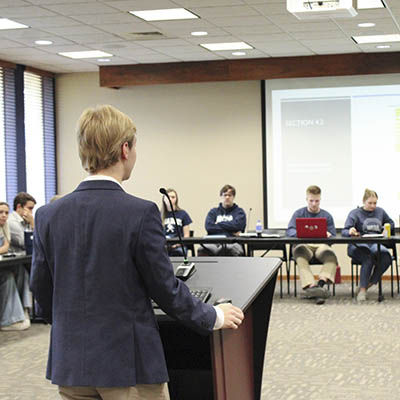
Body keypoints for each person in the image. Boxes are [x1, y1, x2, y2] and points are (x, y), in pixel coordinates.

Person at [30, 105, 244, 400]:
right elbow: (164, 289)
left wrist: (75, 327)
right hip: (128, 367)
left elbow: (41, 291)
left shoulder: (47, 215)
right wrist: (213, 316)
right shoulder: (140, 213)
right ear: (125, 149)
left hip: (71, 364)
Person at [287, 185, 338, 304]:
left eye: (317, 201)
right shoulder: (298, 214)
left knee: (331, 255)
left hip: (321, 245)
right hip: (304, 245)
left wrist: (329, 234)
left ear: (320, 200)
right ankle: (312, 286)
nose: (314, 204)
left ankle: (320, 284)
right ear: (306, 199)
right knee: (299, 253)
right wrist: (299, 233)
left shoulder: (327, 216)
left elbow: (334, 235)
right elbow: (290, 231)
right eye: (311, 201)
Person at [342, 189, 394, 303]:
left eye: (375, 203)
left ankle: (367, 284)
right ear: (363, 201)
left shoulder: (380, 212)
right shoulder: (354, 213)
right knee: (368, 257)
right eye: (370, 203)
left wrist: (386, 226)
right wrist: (350, 231)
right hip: (358, 245)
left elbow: (391, 223)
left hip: (375, 243)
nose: (373, 206)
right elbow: (344, 231)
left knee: (386, 257)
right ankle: (363, 290)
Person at [0, 202, 31, 331]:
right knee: (7, 276)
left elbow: (6, 246)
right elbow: (8, 246)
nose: (4, 215)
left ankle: (23, 310)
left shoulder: (4, 226)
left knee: (20, 270)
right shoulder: (10, 224)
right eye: (1, 212)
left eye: (6, 213)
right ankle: (7, 320)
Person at [198, 184, 246, 257]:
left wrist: (218, 223)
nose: (227, 197)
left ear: (233, 197)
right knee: (202, 249)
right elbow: (209, 226)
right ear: (221, 197)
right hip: (212, 242)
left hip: (232, 242)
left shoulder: (239, 212)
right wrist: (231, 230)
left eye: (230, 195)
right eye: (225, 195)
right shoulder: (213, 212)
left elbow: (238, 225)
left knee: (229, 250)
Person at [161, 188, 192, 256]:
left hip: (179, 246)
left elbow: (186, 236)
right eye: (168, 197)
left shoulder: (183, 214)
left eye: (173, 197)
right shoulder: (159, 215)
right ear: (163, 199)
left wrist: (177, 245)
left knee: (178, 253)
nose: (170, 199)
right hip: (163, 245)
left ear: (176, 199)